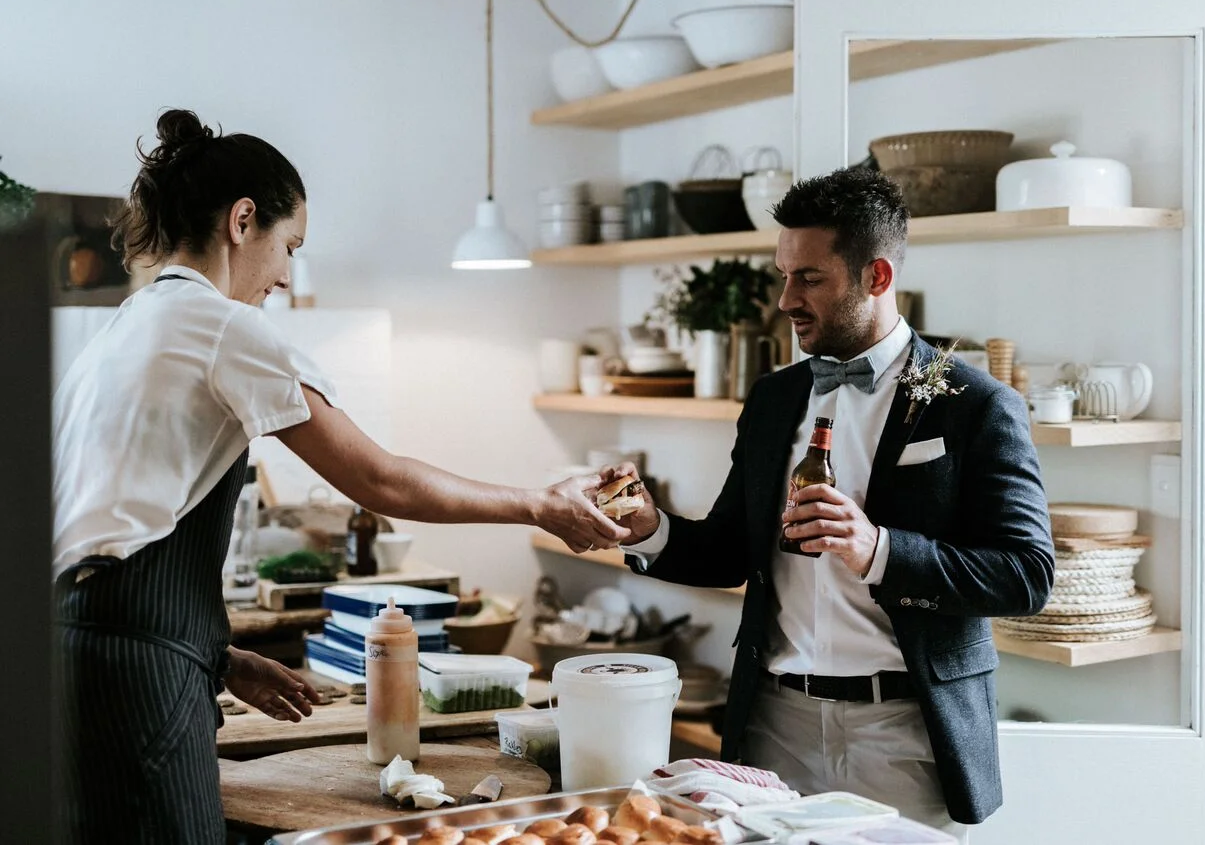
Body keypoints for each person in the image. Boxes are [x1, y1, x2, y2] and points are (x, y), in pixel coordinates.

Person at [51, 108, 629, 844]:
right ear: (242, 221)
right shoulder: (223, 326)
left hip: (74, 655)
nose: (286, 275)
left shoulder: (125, 327)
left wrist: (217, 658)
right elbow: (381, 481)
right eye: (289, 246)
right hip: (137, 674)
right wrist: (540, 505)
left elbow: (103, 544)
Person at [607, 167, 1054, 839]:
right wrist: (649, 529)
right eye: (784, 275)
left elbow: (1026, 574)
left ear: (877, 276)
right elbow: (730, 548)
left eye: (810, 278)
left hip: (905, 733)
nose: (786, 298)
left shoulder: (975, 403)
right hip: (772, 725)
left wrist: (880, 550)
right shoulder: (773, 398)